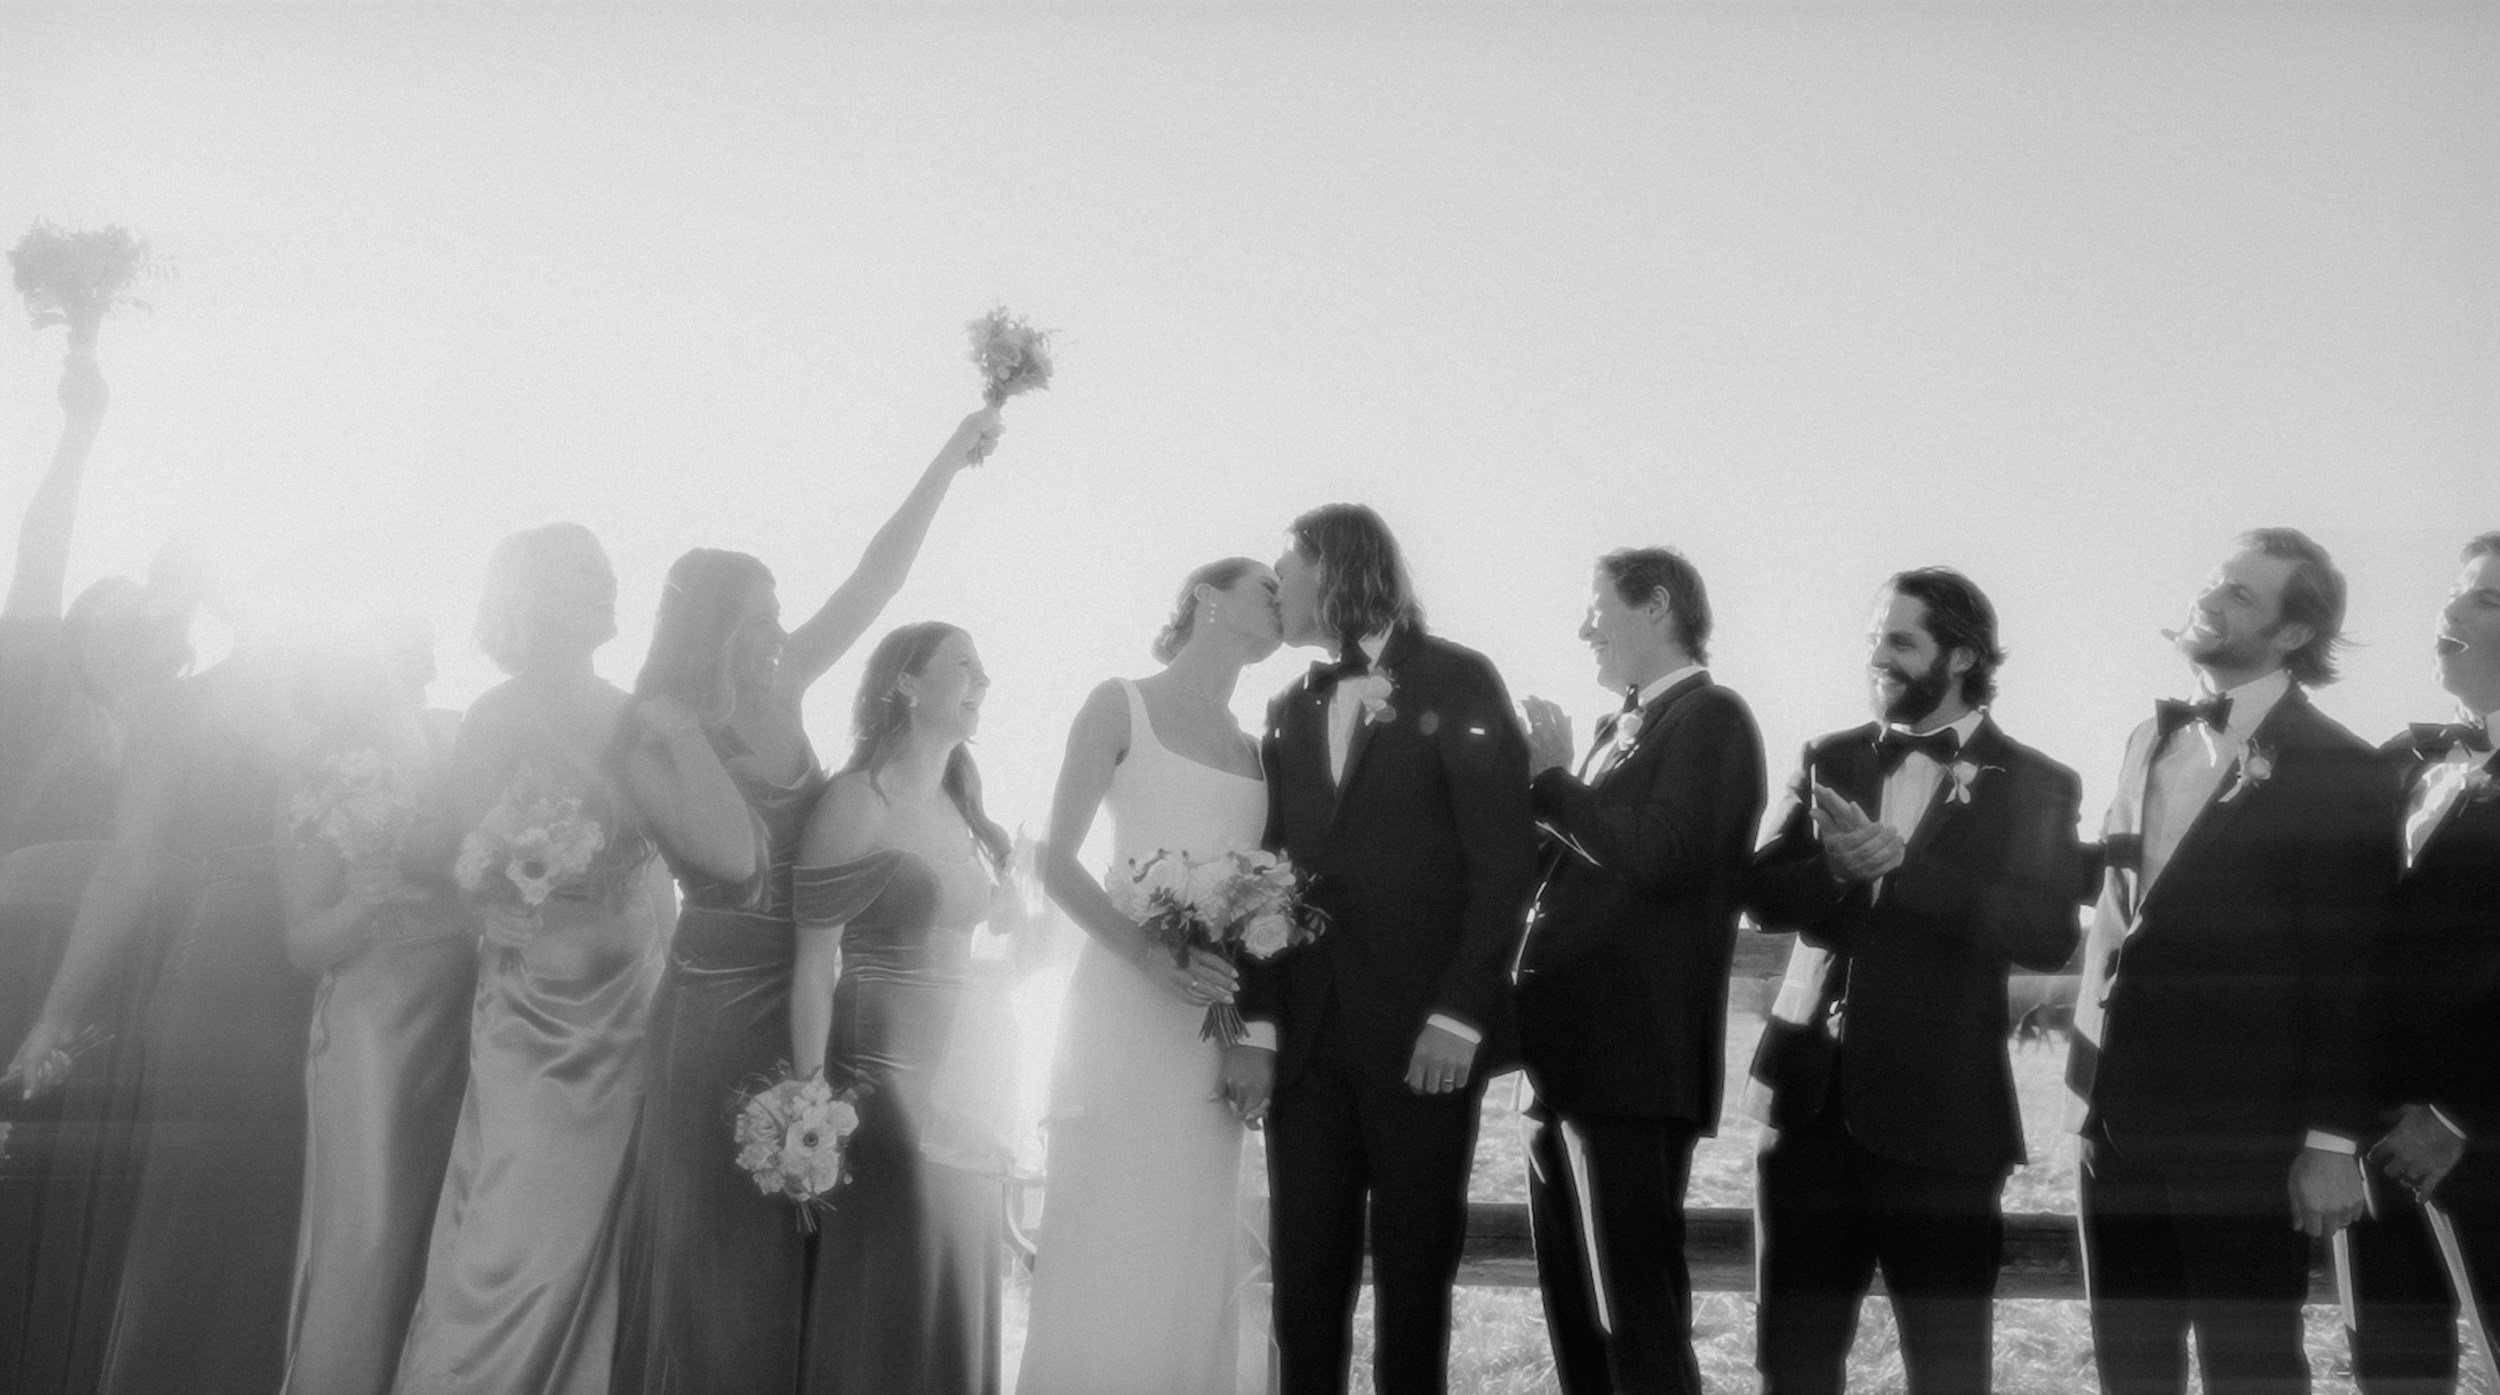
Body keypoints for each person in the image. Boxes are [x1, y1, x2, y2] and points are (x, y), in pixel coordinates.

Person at [612, 398, 1005, 1395]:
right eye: (758, 618)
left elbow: (878, 577)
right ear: (711, 628)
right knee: (723, 1246)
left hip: (814, 994)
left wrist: (950, 455)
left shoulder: (785, 687)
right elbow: (737, 861)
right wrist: (687, 734)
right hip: (717, 1006)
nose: (779, 632)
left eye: (778, 612)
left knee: (810, 1235)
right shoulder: (650, 735)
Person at [2068, 528, 2401, 1395]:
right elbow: (2128, 903)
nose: (2210, 600)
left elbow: (2353, 972)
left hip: (2247, 1137)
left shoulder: (2343, 769)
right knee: (2130, 1372)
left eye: (2240, 594)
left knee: (2250, 1371)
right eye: (2214, 582)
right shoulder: (2147, 739)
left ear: (2293, 633)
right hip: (2114, 1119)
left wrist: (2331, 1142)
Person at [1746, 567, 2085, 1395]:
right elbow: (1760, 896)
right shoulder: (1829, 756)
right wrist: (1832, 867)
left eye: (1900, 642)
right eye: (1874, 641)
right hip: (1808, 1112)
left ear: (1962, 656)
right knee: (1791, 1366)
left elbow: (2046, 933)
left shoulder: (2036, 782)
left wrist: (1907, 870)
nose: (1879, 658)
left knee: (1947, 1371)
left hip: (1946, 1126)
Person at [1234, 503, 1538, 1395]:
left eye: (1286, 571)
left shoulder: (1458, 678)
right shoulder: (1288, 706)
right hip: (1309, 1049)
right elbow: (1264, 876)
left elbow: (1503, 863)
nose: (1274, 589)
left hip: (1422, 1046)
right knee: (1303, 1296)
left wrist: (1460, 1014)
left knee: (1414, 1293)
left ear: (1333, 568)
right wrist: (1260, 1026)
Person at [390, 525, 671, 1395]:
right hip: (541, 1012)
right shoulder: (495, 716)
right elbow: (457, 853)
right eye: (585, 570)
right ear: (533, 594)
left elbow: (678, 852)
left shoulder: (642, 712)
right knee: (517, 1235)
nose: (608, 580)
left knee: (621, 1234)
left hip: (641, 1000)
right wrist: (488, 902)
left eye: (608, 566)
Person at [9, 614, 309, 1395]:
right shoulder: (169, 706)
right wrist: (56, 1015)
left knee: (283, 1217)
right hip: (228, 977)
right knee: (204, 1219)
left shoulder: (315, 688)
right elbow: (128, 869)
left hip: (330, 972)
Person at [1017, 557, 1282, 1395]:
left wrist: (1247, 1028)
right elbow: (1053, 861)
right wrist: (1145, 952)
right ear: (1207, 597)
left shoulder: (1259, 748)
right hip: (1122, 1010)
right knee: (1109, 1230)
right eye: (1266, 588)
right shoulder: (1119, 703)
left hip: (1209, 1026)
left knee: (1189, 1243)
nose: (1283, 602)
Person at [1513, 546, 1765, 1395]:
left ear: (1656, 605)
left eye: (1597, 609)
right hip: (1558, 1067)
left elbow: (1659, 855)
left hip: (1631, 1067)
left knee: (1636, 1326)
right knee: (1579, 1331)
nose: (1583, 628)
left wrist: (1553, 782)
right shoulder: (1613, 728)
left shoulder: (1713, 719)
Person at [789, 621, 1021, 1395]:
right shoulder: (858, 800)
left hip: (970, 1079)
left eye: (984, 667)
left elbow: (994, 957)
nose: (983, 680)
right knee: (897, 1272)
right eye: (964, 664)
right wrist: (811, 1104)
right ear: (906, 684)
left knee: (958, 1272)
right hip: (882, 1085)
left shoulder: (966, 809)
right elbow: (813, 963)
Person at [275, 623, 475, 1395]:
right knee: (371, 1235)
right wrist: (361, 902)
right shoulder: (316, 773)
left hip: (481, 1005)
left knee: (455, 1226)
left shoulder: (457, 736)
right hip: (377, 1027)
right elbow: (303, 940)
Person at [2349, 531, 2500, 1395]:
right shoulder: (2397, 761)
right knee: (2394, 1377)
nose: (2452, 606)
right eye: (2456, 589)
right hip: (2374, 1143)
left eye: (2488, 597)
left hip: (2481, 1140)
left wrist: (2459, 1115)